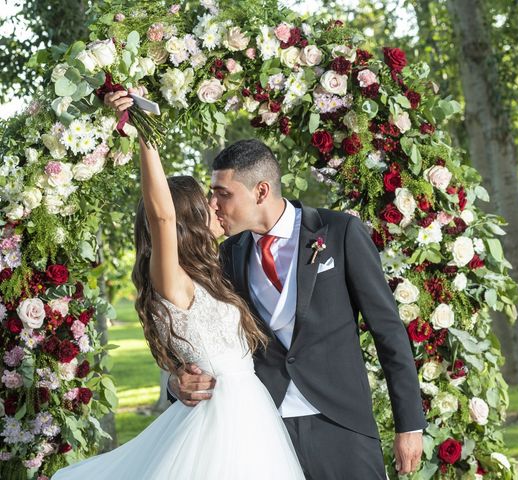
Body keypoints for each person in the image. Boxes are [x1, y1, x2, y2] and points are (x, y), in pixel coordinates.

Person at [52, 89, 305, 479]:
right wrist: (146, 137)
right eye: (208, 202)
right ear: (187, 218)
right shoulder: (173, 281)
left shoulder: (212, 273)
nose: (217, 207)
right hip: (218, 423)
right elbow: (161, 218)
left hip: (254, 416)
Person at [170, 139, 427, 479]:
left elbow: (388, 331)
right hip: (264, 429)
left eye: (223, 194)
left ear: (261, 191)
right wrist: (176, 384)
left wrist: (410, 424)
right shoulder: (227, 255)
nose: (213, 204)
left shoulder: (339, 233)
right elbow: (200, 334)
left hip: (342, 422)